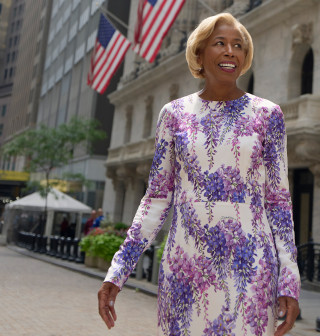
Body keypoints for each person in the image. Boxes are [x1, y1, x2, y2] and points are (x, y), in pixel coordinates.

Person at [98, 13, 301, 336]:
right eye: (220, 43)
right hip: (185, 270)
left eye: (238, 45)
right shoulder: (173, 115)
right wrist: (117, 272)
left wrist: (289, 280)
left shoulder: (268, 115)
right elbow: (156, 198)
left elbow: (278, 203)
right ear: (199, 54)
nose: (231, 51)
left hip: (249, 271)